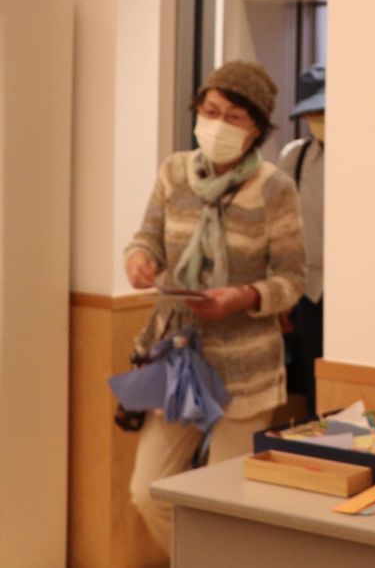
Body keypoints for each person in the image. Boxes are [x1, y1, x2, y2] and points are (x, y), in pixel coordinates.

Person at [124, 61, 307, 554]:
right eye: (211, 111)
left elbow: (292, 280)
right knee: (148, 491)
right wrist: (139, 260)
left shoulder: (274, 188)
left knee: (227, 503)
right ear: (197, 111)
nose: (219, 124)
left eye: (235, 117)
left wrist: (244, 297)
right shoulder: (174, 172)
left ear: (257, 130)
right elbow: (147, 239)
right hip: (178, 356)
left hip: (247, 366)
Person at [279, 64, 326, 413]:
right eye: (311, 112)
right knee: (311, 386)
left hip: (350, 291)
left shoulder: (360, 156)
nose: (318, 119)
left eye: (323, 111)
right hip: (307, 291)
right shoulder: (294, 157)